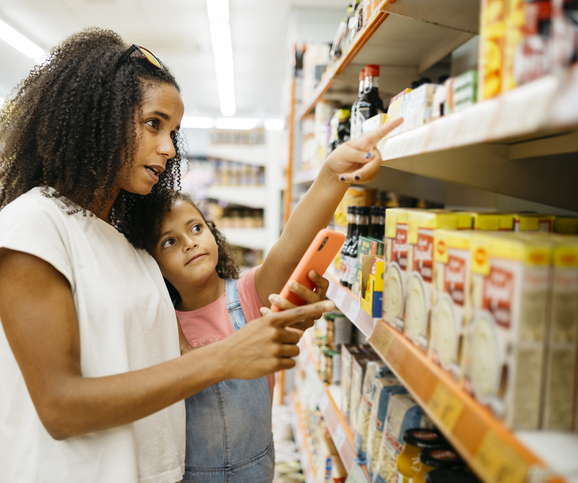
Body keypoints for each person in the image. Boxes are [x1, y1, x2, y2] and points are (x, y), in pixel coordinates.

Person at [0, 28, 335, 483]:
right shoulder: (33, 226)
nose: (168, 148)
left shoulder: (130, 250)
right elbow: (60, 407)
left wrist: (268, 331)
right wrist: (228, 356)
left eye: (173, 132)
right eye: (153, 124)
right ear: (99, 118)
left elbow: (180, 367)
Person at [126, 117, 403, 481]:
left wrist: (331, 175)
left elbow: (291, 244)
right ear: (153, 265)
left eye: (195, 228)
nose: (190, 242)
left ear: (212, 231)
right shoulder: (162, 321)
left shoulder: (248, 295)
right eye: (169, 242)